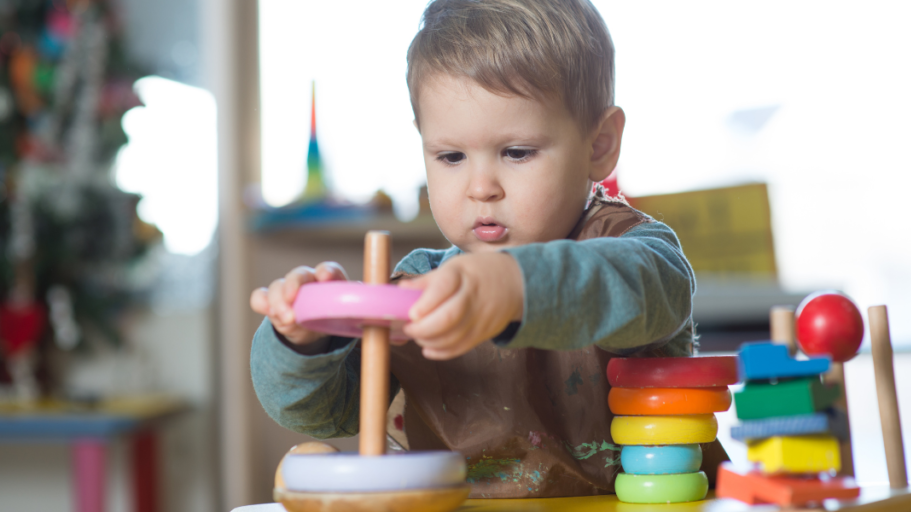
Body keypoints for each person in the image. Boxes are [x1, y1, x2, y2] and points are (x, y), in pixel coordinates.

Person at [249, 0, 727, 498]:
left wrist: (512, 286)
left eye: (516, 152)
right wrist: (304, 345)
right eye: (451, 156)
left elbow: (646, 291)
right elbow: (324, 414)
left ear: (599, 145)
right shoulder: (416, 288)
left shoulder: (636, 251)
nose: (481, 187)